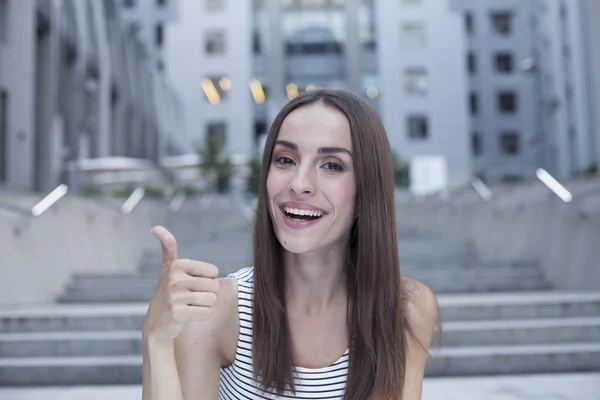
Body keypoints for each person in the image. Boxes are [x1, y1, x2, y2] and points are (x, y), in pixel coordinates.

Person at [142, 89, 440, 400]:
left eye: (332, 165)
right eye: (285, 159)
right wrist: (157, 337)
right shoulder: (218, 310)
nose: (299, 184)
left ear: (368, 186)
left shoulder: (406, 309)